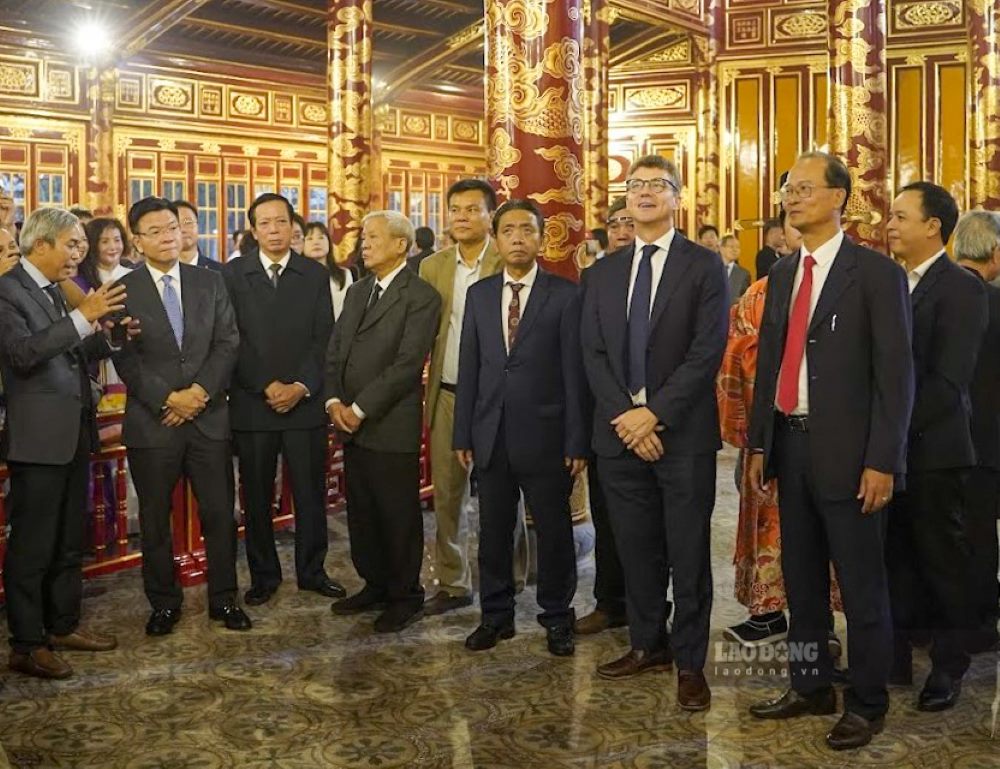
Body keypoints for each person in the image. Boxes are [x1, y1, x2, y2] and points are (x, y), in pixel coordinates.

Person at [747, 152, 914, 750]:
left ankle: (867, 701)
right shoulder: (786, 273)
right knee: (802, 579)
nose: (792, 198)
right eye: (788, 189)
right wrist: (760, 442)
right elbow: (770, 365)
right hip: (791, 446)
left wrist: (883, 460)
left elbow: (897, 378)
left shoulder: (875, 274)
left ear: (840, 198)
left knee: (863, 585)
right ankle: (810, 683)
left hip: (853, 456)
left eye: (805, 189)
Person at [582, 154, 727, 713]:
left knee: (687, 552)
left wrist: (655, 413)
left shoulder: (702, 266)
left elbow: (705, 351)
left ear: (677, 197)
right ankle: (648, 643)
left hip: (681, 435)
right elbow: (592, 354)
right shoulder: (603, 273)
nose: (643, 193)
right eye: (635, 185)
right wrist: (627, 416)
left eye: (657, 185)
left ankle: (691, 660)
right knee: (635, 549)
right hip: (618, 435)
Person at [0, 208, 131, 679]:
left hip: (74, 430)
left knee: (69, 540)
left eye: (81, 244)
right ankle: (26, 643)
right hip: (36, 438)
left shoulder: (55, 291)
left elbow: (73, 351)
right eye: (72, 244)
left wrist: (108, 335)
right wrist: (83, 318)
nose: (81, 252)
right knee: (33, 546)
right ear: (41, 245)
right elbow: (21, 355)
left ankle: (62, 625)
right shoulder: (7, 290)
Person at [454, 200, 586, 657]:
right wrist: (462, 434)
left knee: (553, 531)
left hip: (547, 435)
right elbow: (469, 365)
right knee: (492, 531)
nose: (516, 238)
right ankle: (496, 615)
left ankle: (556, 616)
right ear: (496, 235)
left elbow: (575, 373)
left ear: (540, 238)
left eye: (525, 230)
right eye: (507, 230)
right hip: (490, 433)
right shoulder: (480, 294)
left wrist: (576, 438)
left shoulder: (565, 294)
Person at [113, 197, 250, 636]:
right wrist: (168, 400)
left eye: (172, 226)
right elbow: (124, 357)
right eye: (154, 230)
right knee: (154, 518)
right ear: (137, 241)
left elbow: (227, 343)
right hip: (154, 424)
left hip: (208, 419)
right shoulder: (122, 289)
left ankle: (224, 599)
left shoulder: (209, 282)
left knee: (220, 514)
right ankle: (164, 603)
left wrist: (198, 394)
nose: (168, 235)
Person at [885, 182, 986, 711]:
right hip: (888, 453)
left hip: (933, 451)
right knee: (894, 557)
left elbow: (948, 382)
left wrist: (894, 435)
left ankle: (949, 664)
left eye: (901, 216)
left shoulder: (960, 288)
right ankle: (895, 654)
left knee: (942, 561)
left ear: (934, 226)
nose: (890, 224)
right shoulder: (888, 282)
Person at [224, 193, 344, 606]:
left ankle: (313, 571)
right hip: (253, 403)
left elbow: (323, 338)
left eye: (281, 222)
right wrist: (264, 385)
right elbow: (229, 340)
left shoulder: (312, 273)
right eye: (265, 223)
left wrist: (300, 386)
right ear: (253, 229)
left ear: (293, 227)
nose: (274, 231)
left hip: (304, 403)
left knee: (311, 493)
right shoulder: (233, 274)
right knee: (256, 496)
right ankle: (263, 575)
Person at [325, 210, 441, 633]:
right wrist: (335, 400)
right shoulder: (358, 291)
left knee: (397, 513)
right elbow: (336, 348)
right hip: (349, 421)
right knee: (362, 510)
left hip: (389, 421)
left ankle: (404, 594)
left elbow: (407, 364)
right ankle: (373, 583)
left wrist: (359, 409)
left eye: (373, 237)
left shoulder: (420, 296)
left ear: (400, 245)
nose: (364, 243)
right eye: (363, 237)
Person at [419, 179, 505, 616]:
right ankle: (453, 582)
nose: (461, 217)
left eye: (472, 209)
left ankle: (509, 578)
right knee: (447, 495)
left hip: (499, 399)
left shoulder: (507, 259)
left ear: (491, 215)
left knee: (503, 493)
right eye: (455, 209)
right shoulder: (432, 267)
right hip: (449, 392)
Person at [575, 197, 639, 637]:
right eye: (614, 224)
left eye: (629, 224)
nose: (620, 232)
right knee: (607, 517)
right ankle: (609, 601)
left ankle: (648, 605)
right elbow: (586, 357)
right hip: (605, 420)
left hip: (655, 423)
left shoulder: (670, 276)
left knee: (649, 528)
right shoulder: (594, 279)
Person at [954, 211, 1000, 654]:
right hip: (988, 442)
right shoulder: (993, 300)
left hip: (938, 440)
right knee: (981, 537)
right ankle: (980, 621)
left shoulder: (927, 294)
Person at [303, 221, 354, 320]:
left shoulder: (344, 275)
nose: (316, 242)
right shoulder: (296, 276)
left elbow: (350, 311)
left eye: (321, 237)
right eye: (309, 238)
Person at [77, 218, 132, 292]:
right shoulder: (82, 280)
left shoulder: (133, 276)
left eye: (117, 240)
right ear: (93, 244)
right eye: (105, 242)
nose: (113, 247)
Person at [173, 201, 222, 272]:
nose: (182, 229)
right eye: (175, 224)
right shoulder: (159, 272)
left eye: (188, 222)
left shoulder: (219, 272)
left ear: (198, 226)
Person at [721, 234, 751, 305]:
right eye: (731, 247)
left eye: (737, 247)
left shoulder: (744, 274)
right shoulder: (711, 270)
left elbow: (745, 297)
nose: (735, 250)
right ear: (722, 249)